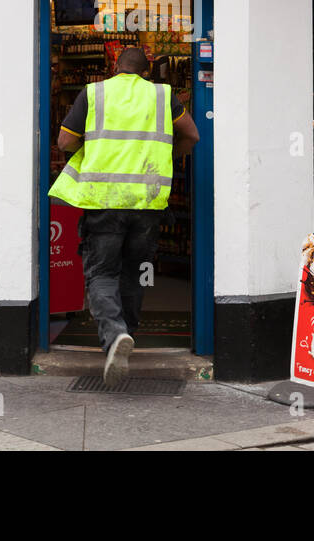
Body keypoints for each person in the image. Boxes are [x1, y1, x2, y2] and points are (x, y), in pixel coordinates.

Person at [48, 46, 199, 385]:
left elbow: (64, 142)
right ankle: (128, 332)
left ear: (115, 68)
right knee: (136, 272)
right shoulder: (163, 96)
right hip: (146, 203)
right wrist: (171, 157)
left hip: (104, 202)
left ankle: (115, 336)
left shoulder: (94, 93)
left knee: (102, 273)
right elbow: (192, 134)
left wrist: (95, 148)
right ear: (147, 72)